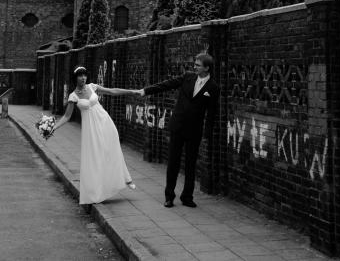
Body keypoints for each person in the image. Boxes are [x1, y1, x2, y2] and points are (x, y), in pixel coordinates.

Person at [138, 52, 219, 208]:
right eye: (195, 64)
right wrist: (146, 91)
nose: (194, 67)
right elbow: (167, 84)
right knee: (173, 162)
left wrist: (207, 134)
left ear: (207, 68)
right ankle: (169, 196)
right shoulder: (188, 77)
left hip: (194, 130)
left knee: (190, 164)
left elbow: (212, 113)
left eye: (198, 65)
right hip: (178, 126)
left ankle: (187, 197)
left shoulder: (213, 87)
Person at [53, 65, 140, 204]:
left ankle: (126, 178)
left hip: (104, 121)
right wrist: (53, 128)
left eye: (84, 75)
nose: (83, 78)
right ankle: (96, 190)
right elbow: (66, 116)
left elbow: (112, 91)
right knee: (95, 157)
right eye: (80, 75)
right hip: (90, 130)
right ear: (75, 78)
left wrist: (132, 92)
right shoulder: (73, 96)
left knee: (112, 148)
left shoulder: (92, 87)